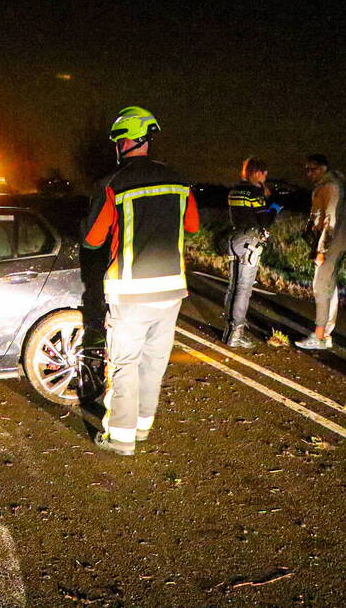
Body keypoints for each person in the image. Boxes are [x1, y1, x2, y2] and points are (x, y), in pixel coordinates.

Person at [82, 106, 199, 456]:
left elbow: (92, 239)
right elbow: (192, 226)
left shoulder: (113, 184)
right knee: (154, 364)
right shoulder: (179, 180)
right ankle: (143, 427)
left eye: (118, 141)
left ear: (127, 141)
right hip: (171, 291)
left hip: (130, 292)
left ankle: (120, 438)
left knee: (125, 365)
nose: (117, 147)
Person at [296, 154, 346, 350]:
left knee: (321, 287)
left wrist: (322, 250)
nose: (309, 173)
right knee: (329, 288)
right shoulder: (331, 185)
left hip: (332, 243)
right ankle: (325, 334)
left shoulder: (330, 187)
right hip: (338, 242)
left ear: (323, 168)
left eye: (312, 169)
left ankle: (319, 336)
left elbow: (330, 222)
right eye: (306, 169)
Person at [223, 157, 282, 348]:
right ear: (257, 173)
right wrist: (273, 207)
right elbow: (264, 220)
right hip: (250, 242)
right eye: (264, 174)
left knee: (232, 287)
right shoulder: (255, 192)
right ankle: (236, 333)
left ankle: (229, 332)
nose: (266, 177)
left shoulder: (234, 190)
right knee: (244, 289)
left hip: (234, 239)